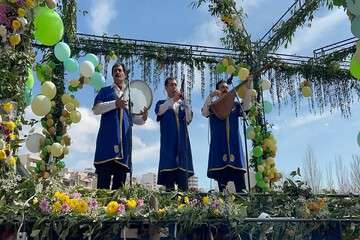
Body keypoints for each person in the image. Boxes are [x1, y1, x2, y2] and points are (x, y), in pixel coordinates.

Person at [92, 63, 148, 189]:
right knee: (103, 187)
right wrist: (115, 103)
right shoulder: (105, 91)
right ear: (112, 75)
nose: (117, 72)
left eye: (120, 70)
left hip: (124, 148)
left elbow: (133, 119)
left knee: (119, 191)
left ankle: (116, 209)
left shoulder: (130, 96)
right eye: (115, 71)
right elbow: (96, 109)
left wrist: (143, 117)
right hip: (107, 143)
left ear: (125, 74)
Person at [201, 76, 253, 193]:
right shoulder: (213, 105)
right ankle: (224, 209)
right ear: (217, 90)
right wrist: (210, 96)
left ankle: (244, 207)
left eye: (226, 87)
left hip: (234, 147)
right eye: (222, 87)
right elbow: (204, 113)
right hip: (220, 148)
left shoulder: (235, 104)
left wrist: (249, 88)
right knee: (222, 189)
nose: (225, 89)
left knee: (241, 187)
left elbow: (246, 108)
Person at [155, 77, 194, 191]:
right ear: (166, 88)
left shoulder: (183, 105)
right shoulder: (162, 103)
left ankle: (185, 208)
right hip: (168, 148)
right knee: (169, 186)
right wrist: (173, 100)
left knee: (184, 187)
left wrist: (185, 101)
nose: (174, 87)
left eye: (175, 85)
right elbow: (159, 111)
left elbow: (189, 118)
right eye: (171, 85)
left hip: (182, 148)